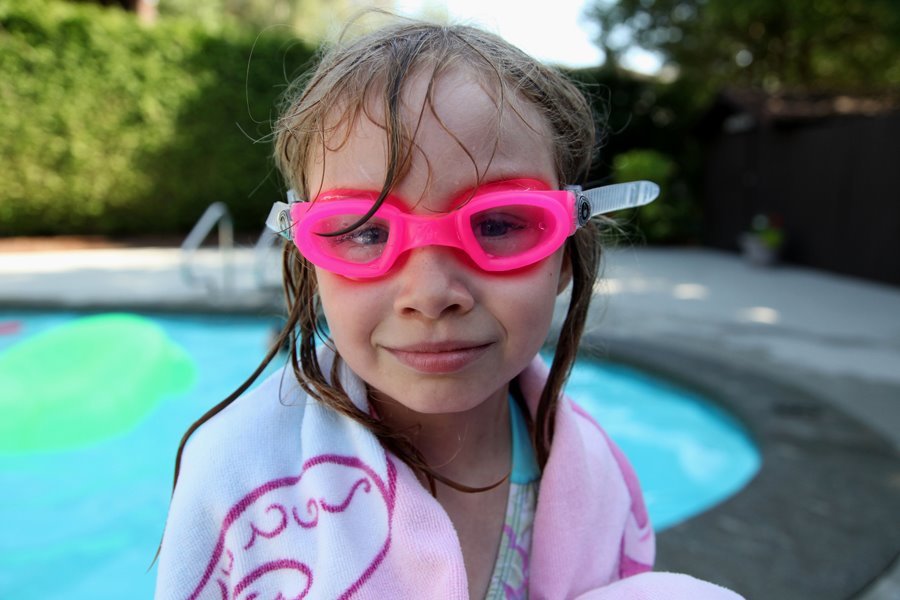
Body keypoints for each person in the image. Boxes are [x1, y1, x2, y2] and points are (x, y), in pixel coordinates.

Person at [155, 19, 743, 600]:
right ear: (311, 260)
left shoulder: (596, 474)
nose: (431, 294)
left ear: (565, 253)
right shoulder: (236, 477)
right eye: (364, 231)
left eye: (497, 224)